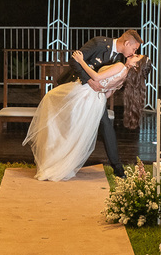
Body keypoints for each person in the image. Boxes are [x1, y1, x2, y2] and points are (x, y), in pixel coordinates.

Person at [25, 47, 150, 181]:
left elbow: (96, 77)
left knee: (53, 105)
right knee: (74, 132)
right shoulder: (125, 78)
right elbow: (108, 93)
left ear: (136, 66)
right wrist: (97, 99)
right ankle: (60, 164)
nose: (134, 54)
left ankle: (54, 162)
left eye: (137, 57)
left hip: (86, 94)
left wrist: (81, 61)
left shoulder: (120, 66)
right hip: (97, 101)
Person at [58, 30, 142, 177]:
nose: (134, 52)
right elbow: (74, 60)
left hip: (94, 96)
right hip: (76, 88)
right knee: (70, 126)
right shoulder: (99, 43)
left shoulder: (121, 59)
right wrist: (90, 81)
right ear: (127, 43)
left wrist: (102, 93)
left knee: (105, 125)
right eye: (134, 49)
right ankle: (62, 161)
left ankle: (117, 167)